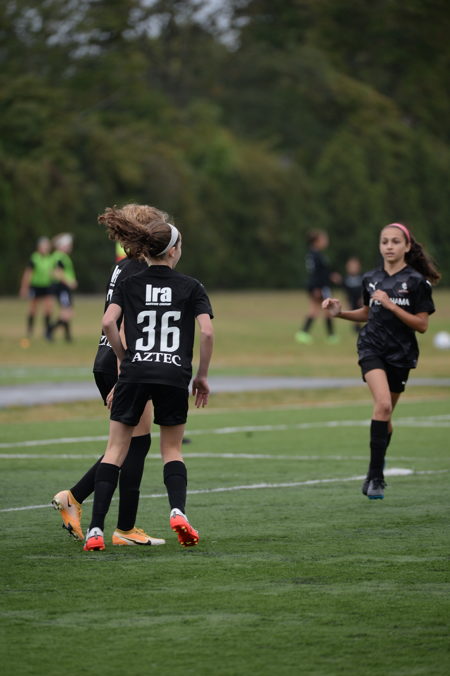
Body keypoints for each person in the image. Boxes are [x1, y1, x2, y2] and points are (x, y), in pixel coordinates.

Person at [83, 207, 214, 551]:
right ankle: (178, 512)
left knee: (115, 450)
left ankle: (95, 530)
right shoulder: (191, 286)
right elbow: (207, 332)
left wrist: (123, 360)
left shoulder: (129, 282)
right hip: (173, 373)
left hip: (135, 372)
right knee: (171, 449)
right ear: (173, 251)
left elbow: (108, 323)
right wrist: (201, 376)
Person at [52, 204, 169, 547]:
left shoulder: (123, 266)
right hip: (123, 361)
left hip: (108, 358)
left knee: (126, 444)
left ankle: (75, 499)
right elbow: (126, 323)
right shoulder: (140, 269)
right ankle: (123, 528)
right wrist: (125, 372)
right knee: (134, 444)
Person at [322, 223, 439, 499]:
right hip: (371, 347)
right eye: (384, 241)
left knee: (385, 415)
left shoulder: (417, 282)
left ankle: (375, 467)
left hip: (401, 354)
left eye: (395, 241)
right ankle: (376, 477)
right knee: (383, 404)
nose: (389, 246)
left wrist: (391, 305)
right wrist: (340, 313)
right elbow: (367, 312)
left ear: (407, 246)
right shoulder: (371, 278)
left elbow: (422, 325)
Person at [295, 229, 341, 345]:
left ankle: (304, 333)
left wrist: (331, 276)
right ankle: (331, 336)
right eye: (324, 239)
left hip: (319, 286)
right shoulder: (316, 255)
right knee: (327, 310)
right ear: (316, 241)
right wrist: (317, 288)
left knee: (315, 310)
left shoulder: (314, 254)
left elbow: (322, 271)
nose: (326, 241)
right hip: (320, 287)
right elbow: (315, 273)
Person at [19, 236, 54, 340]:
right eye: (43, 245)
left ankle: (47, 332)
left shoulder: (50, 258)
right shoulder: (34, 258)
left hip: (47, 286)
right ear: (39, 247)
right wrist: (24, 288)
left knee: (48, 308)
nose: (45, 248)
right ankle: (30, 330)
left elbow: (54, 272)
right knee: (33, 309)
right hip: (36, 286)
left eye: (46, 245)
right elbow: (28, 273)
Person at [47, 233, 77, 342]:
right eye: (68, 245)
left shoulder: (61, 256)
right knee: (67, 312)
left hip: (64, 288)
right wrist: (69, 282)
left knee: (67, 312)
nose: (69, 247)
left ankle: (67, 336)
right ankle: (50, 330)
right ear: (62, 246)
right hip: (62, 288)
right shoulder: (59, 257)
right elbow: (57, 272)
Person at [343, 256, 363, 332]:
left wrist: (363, 298)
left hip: (360, 299)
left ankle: (359, 326)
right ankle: (356, 327)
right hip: (351, 299)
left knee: (360, 312)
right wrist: (347, 301)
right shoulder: (346, 279)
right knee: (353, 312)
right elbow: (345, 291)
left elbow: (365, 289)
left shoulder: (362, 277)